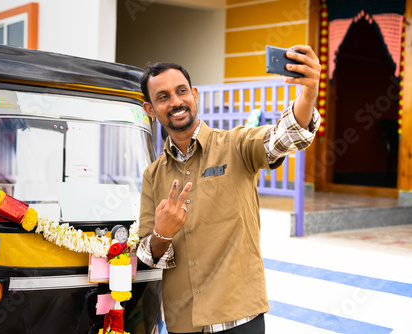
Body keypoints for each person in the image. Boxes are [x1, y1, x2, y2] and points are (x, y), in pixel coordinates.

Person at [136, 45, 321, 333]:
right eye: (163, 97)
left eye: (181, 91)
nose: (175, 101)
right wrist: (162, 233)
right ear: (150, 109)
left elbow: (282, 138)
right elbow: (146, 254)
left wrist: (308, 93)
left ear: (194, 95)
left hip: (240, 318)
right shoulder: (152, 175)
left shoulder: (236, 145)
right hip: (182, 321)